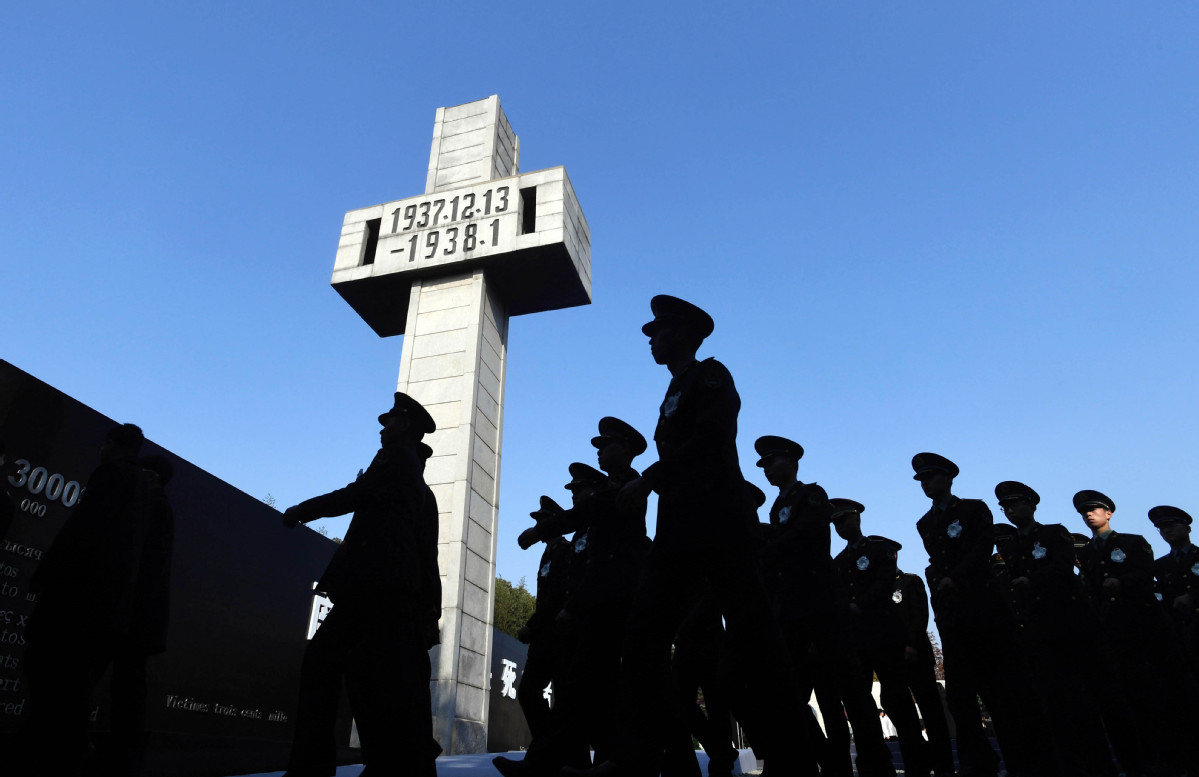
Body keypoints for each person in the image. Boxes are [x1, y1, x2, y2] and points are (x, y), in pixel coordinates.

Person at [570, 295, 815, 777]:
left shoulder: (711, 376)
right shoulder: (671, 393)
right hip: (679, 534)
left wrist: (650, 479)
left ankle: (796, 759)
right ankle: (630, 758)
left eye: (658, 332)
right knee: (643, 640)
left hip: (721, 525)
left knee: (756, 642)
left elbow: (711, 440)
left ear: (682, 334)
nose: (651, 340)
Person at [280, 392, 441, 777]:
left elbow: (353, 495)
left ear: (407, 428)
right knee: (381, 678)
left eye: (392, 422)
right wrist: (428, 608)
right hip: (387, 590)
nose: (384, 428)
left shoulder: (395, 459)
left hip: (374, 588)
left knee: (333, 667)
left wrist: (302, 511)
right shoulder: (421, 489)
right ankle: (399, 760)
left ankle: (313, 766)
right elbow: (427, 557)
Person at [756, 436, 894, 777]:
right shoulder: (777, 507)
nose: (768, 470)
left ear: (791, 461)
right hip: (793, 610)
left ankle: (876, 764)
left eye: (772, 462)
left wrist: (767, 548)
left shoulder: (812, 496)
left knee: (852, 691)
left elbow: (803, 538)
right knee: (797, 693)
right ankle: (827, 764)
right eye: (764, 465)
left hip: (822, 607)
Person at [19, 423, 150, 777]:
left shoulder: (111, 476)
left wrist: (47, 573)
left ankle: (55, 750)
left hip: (77, 597)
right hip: (105, 604)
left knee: (48, 669)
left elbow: (82, 528)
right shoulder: (143, 488)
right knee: (74, 679)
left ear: (111, 444)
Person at [912, 453, 1048, 777]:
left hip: (985, 611)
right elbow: (936, 561)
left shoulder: (974, 509)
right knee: (960, 697)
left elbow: (980, 549)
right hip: (955, 620)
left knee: (1001, 693)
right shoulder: (925, 523)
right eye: (922, 480)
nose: (927, 484)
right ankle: (978, 761)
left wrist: (954, 578)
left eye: (931, 477)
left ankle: (1023, 761)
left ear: (948, 478)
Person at [992, 481, 1114, 777]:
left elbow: (1061, 567)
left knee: (1081, 697)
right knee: (1052, 700)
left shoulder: (1053, 533)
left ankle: (1098, 764)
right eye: (1006, 507)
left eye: (1017, 504)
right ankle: (1068, 762)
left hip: (1066, 625)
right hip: (1035, 630)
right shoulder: (1010, 546)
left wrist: (1031, 581)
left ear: (1032, 506)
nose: (1011, 510)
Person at [1075, 490, 1191, 777]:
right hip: (1113, 634)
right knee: (1132, 697)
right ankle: (1150, 757)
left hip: (1144, 628)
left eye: (1094, 510)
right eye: (1084, 512)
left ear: (1109, 513)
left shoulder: (1132, 542)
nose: (1089, 515)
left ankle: (1176, 754)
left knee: (1161, 692)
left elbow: (1144, 574)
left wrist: (1122, 582)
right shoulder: (1087, 552)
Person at [831, 498, 929, 777]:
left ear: (857, 519)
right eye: (836, 523)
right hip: (857, 641)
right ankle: (874, 763)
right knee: (861, 703)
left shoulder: (879, 550)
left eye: (844, 520)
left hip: (885, 635)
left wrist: (858, 604)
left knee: (896, 698)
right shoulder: (838, 561)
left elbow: (885, 583)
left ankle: (917, 762)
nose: (840, 527)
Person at [891, 566, 954, 777]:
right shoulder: (878, 586)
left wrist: (912, 644)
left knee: (931, 711)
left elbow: (919, 616)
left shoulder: (909, 582)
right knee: (900, 711)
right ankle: (917, 761)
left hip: (915, 654)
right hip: (893, 658)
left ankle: (943, 763)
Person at [1150, 505, 1199, 674]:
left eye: (1171, 525)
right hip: (1180, 633)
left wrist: (1193, 596)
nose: (1166, 530)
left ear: (1187, 528)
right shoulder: (1159, 566)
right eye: (1162, 528)